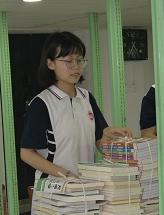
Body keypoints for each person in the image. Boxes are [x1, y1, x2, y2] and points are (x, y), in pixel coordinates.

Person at [20, 31, 133, 181]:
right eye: (69, 61)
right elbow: (26, 153)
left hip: (87, 187)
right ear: (50, 64)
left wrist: (108, 135)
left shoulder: (87, 98)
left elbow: (100, 144)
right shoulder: (42, 103)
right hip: (55, 189)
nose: (76, 67)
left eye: (79, 60)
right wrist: (66, 174)